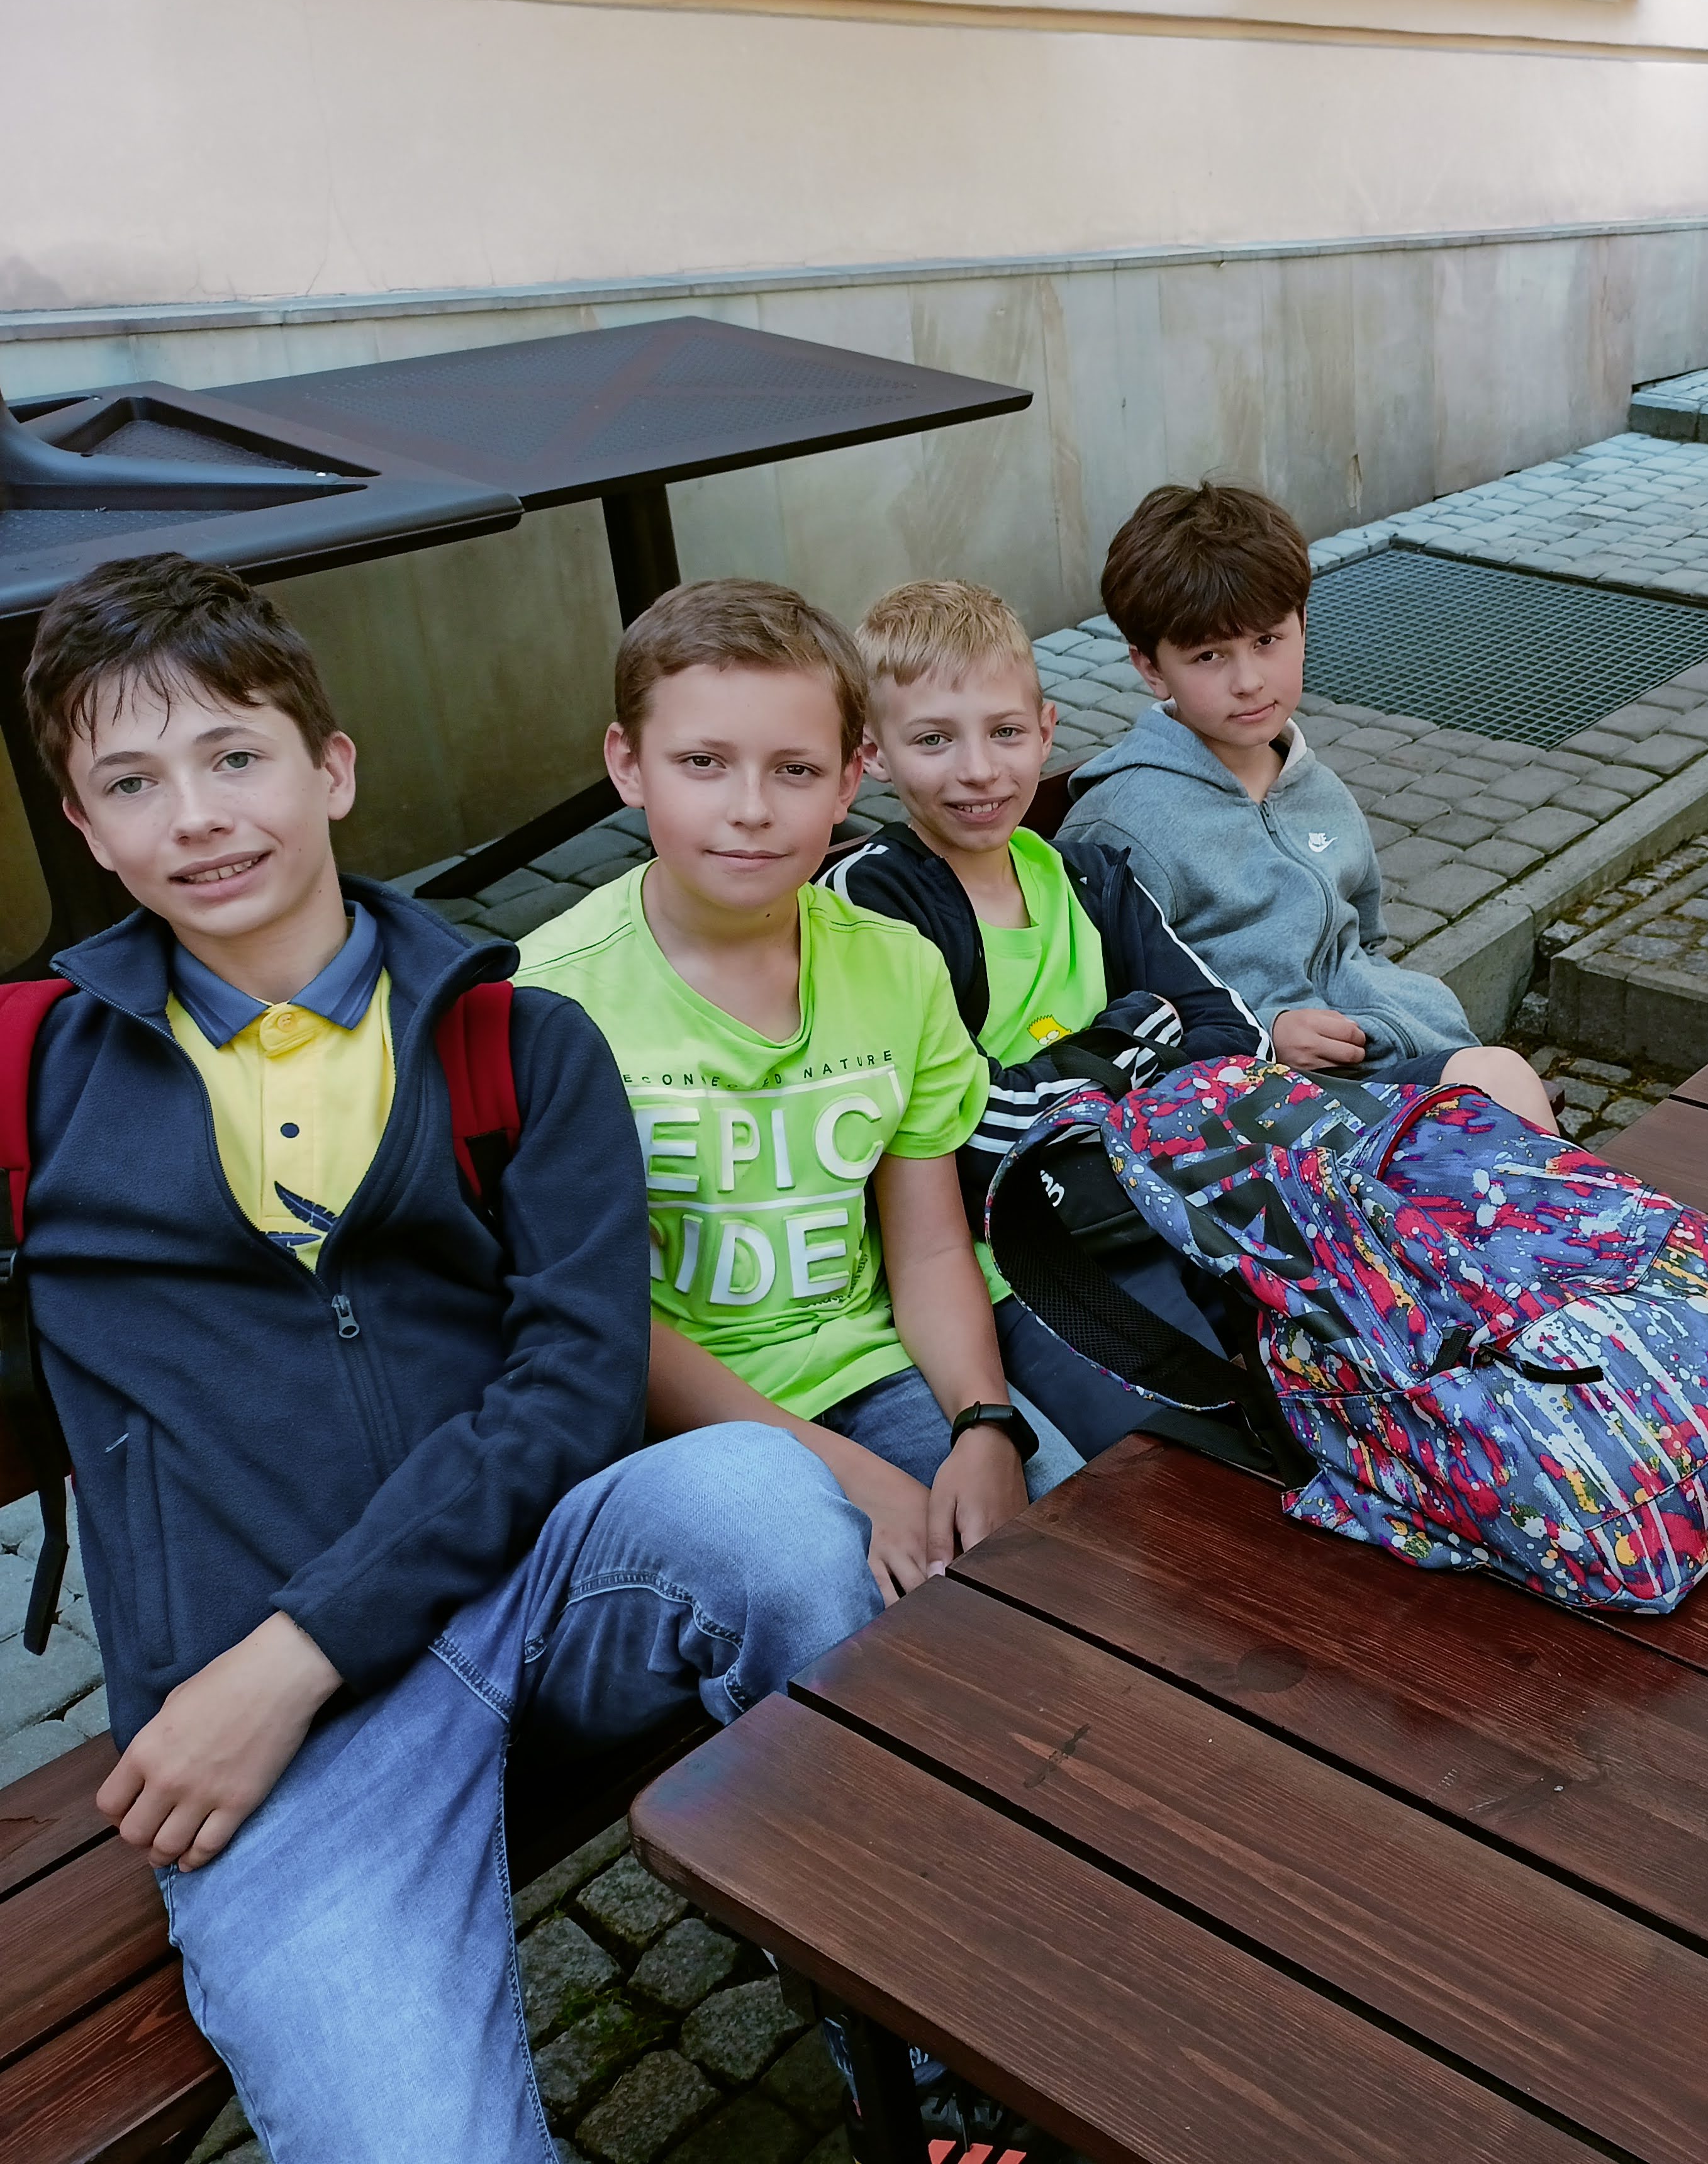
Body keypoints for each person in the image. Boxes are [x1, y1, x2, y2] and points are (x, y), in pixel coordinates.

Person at [14, 554, 880, 2158]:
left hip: (517, 1596)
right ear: (84, 827)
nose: (195, 817)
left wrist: (300, 1647)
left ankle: (903, 2034)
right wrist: (257, 1676)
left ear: (332, 769)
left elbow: (575, 1385)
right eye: (132, 783)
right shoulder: (30, 1079)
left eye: (234, 755)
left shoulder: (515, 1038)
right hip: (273, 1743)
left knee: (763, 1502)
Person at [516, 578, 1066, 1607]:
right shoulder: (546, 1002)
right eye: (702, 763)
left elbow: (928, 1247)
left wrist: (984, 1421)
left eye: (796, 769)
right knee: (846, 1617)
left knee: (1063, 1557)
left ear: (851, 777)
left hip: (871, 1374)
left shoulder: (896, 968)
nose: (751, 808)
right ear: (627, 764)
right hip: (669, 1424)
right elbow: (600, 1321)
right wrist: (853, 1477)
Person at [823, 576, 1264, 1459]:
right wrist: (1139, 1035)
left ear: (1047, 729)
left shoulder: (1089, 878)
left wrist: (1068, 1086)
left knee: (1341, 1378)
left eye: (1006, 733)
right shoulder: (874, 904)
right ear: (873, 753)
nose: (979, 770)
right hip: (1020, 1267)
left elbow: (1233, 1041)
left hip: (1168, 1206)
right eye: (934, 740)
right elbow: (966, 1136)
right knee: (1192, 1462)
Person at [1055, 480, 1556, 1129]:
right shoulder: (1120, 823)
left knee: (1496, 1084)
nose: (1248, 681)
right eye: (1208, 655)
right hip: (1249, 1105)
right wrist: (1263, 1031)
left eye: (1267, 641)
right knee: (1497, 1085)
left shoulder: (1316, 789)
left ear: (1302, 625)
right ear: (1152, 669)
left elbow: (1364, 941)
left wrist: (1391, 1016)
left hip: (1370, 1063)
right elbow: (1106, 1009)